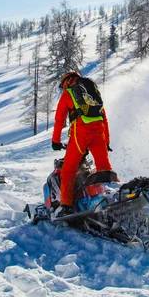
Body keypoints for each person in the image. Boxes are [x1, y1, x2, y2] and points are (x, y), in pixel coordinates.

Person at [51, 71, 113, 218]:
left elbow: (59, 120)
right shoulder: (93, 93)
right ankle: (113, 195)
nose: (63, 88)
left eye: (63, 85)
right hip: (99, 132)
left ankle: (66, 206)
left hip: (81, 132)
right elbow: (104, 118)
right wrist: (106, 142)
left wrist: (56, 141)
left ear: (67, 81)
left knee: (68, 170)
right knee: (104, 168)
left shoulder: (68, 93)